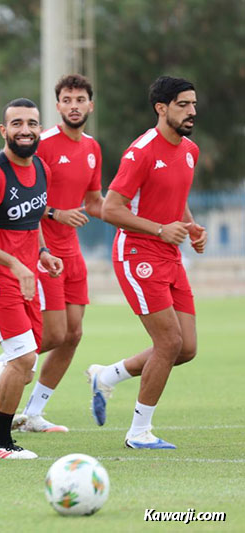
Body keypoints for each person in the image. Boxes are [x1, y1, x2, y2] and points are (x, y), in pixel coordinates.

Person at [88, 76, 204, 449]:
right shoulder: (141, 152)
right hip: (137, 253)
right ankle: (139, 432)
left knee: (186, 349)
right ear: (161, 108)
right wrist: (159, 229)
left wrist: (189, 225)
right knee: (168, 342)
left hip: (169, 254)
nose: (191, 111)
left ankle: (107, 375)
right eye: (183, 104)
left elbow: (175, 196)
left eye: (193, 104)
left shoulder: (190, 150)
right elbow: (110, 208)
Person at [0, 98, 63, 459]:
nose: (25, 130)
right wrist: (16, 265)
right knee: (22, 359)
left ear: (40, 129)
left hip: (23, 274)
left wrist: (42, 254)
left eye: (32, 124)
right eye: (16, 123)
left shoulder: (40, 167)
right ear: (4, 131)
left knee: (22, 365)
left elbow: (31, 222)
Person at [19, 74, 104, 433]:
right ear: (57, 106)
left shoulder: (92, 148)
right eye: (67, 100)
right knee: (52, 334)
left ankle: (34, 412)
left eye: (80, 99)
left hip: (73, 253)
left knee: (73, 334)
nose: (74, 105)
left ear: (90, 105)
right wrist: (55, 213)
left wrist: (144, 220)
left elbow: (95, 203)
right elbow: (21, 198)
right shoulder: (43, 145)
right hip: (42, 251)